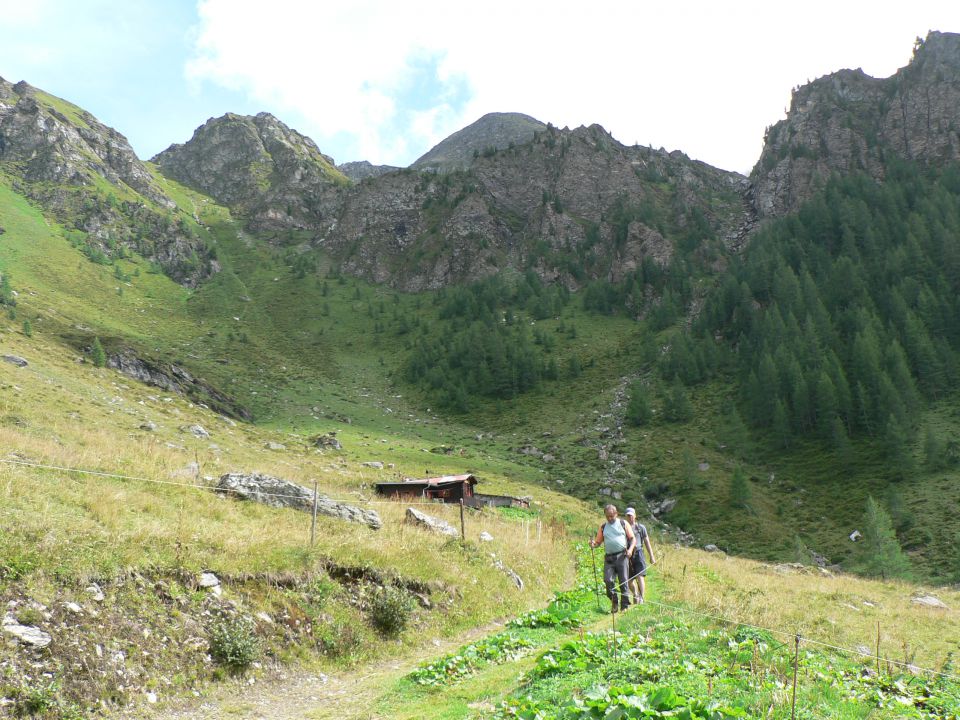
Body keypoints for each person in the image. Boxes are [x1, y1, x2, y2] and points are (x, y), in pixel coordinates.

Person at [589, 504, 635, 612]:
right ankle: (614, 602)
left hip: (622, 556)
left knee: (623, 581)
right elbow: (598, 542)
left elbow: (632, 539)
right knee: (608, 580)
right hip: (609, 558)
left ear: (616, 514)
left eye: (611, 516)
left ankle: (624, 606)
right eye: (607, 516)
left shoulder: (623, 523)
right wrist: (593, 544)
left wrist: (630, 550)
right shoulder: (603, 527)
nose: (609, 518)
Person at [624, 507, 656, 604]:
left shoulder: (641, 528)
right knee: (629, 580)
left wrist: (651, 556)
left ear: (635, 516)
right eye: (628, 516)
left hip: (639, 553)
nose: (630, 518)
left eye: (631, 515)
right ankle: (635, 593)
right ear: (626, 517)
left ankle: (641, 597)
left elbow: (647, 542)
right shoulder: (623, 528)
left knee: (640, 576)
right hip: (627, 554)